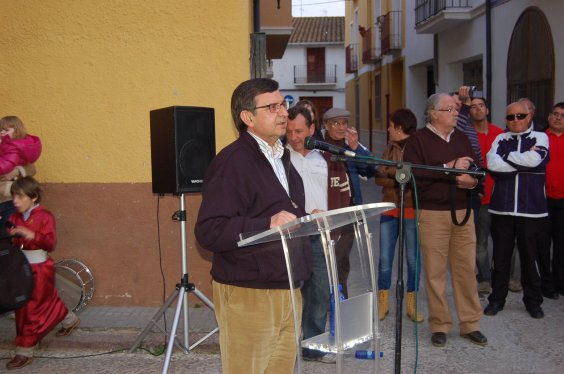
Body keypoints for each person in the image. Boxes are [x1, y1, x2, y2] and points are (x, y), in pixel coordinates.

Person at [194, 78, 312, 374]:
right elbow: (209, 230)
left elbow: (279, 213)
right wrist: (266, 223)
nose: (283, 112)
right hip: (248, 292)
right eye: (271, 107)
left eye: (283, 104)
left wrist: (310, 219)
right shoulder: (231, 163)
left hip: (288, 287)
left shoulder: (282, 157)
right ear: (248, 117)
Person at [403, 93, 487, 348]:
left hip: (463, 211)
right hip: (431, 213)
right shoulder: (418, 140)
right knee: (435, 272)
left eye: (456, 109)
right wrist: (450, 166)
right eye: (449, 109)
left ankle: (470, 324)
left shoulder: (462, 137)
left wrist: (472, 180)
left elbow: (478, 170)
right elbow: (413, 174)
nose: (456, 113)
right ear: (433, 113)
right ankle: (439, 324)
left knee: (465, 270)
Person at [285, 106, 350, 363]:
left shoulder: (329, 158)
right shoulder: (280, 159)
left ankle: (313, 347)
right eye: (289, 131)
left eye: (299, 131)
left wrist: (336, 227)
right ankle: (287, 346)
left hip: (323, 234)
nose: (293, 137)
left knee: (320, 292)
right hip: (292, 235)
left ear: (312, 129)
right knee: (290, 292)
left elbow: (343, 195)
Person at [5, 176, 80, 370]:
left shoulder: (45, 216)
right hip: (20, 266)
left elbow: (50, 243)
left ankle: (25, 350)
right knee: (43, 300)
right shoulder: (14, 217)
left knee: (31, 308)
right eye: (14, 196)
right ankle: (69, 319)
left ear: (34, 197)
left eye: (20, 197)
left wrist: (32, 235)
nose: (15, 201)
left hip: (40, 267)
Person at [484, 100, 549, 319]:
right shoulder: (500, 139)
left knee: (530, 259)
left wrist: (507, 158)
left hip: (531, 211)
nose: (515, 121)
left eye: (519, 116)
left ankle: (533, 302)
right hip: (502, 209)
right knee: (500, 259)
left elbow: (535, 160)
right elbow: (492, 164)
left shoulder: (541, 137)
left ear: (530, 116)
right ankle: (496, 300)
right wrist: (517, 162)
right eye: (510, 117)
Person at [374, 108, 423, 322]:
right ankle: (382, 304)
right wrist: (399, 175)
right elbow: (378, 177)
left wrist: (393, 173)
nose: (387, 129)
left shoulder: (419, 148)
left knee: (413, 260)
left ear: (399, 128)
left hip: (412, 211)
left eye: (390, 125)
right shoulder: (389, 148)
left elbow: (417, 179)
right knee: (385, 259)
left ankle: (411, 305)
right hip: (389, 209)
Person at [321, 108, 375, 297]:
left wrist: (356, 149)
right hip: (326, 210)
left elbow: (370, 170)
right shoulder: (319, 147)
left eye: (344, 123)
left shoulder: (351, 146)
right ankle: (328, 296)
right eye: (336, 123)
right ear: (326, 126)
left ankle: (340, 297)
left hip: (349, 210)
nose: (341, 127)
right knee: (326, 257)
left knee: (341, 256)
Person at [467, 97, 504, 298]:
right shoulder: (468, 136)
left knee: (504, 241)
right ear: (469, 112)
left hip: (501, 196)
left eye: (481, 105)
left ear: (487, 110)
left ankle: (503, 276)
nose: (478, 109)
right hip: (480, 196)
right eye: (473, 107)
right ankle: (485, 278)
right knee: (480, 240)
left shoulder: (500, 133)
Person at [0, 116, 40, 238]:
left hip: (12, 201)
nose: (2, 132)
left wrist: (16, 170)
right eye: (0, 129)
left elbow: (32, 169)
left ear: (17, 131)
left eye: (6, 130)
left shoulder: (19, 149)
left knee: (11, 235)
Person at [542, 102, 564, 297]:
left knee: (561, 244)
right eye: (555, 114)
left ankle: (560, 283)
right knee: (542, 243)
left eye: (562, 115)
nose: (558, 118)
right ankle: (546, 284)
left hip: (563, 199)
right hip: (543, 199)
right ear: (549, 117)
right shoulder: (540, 138)